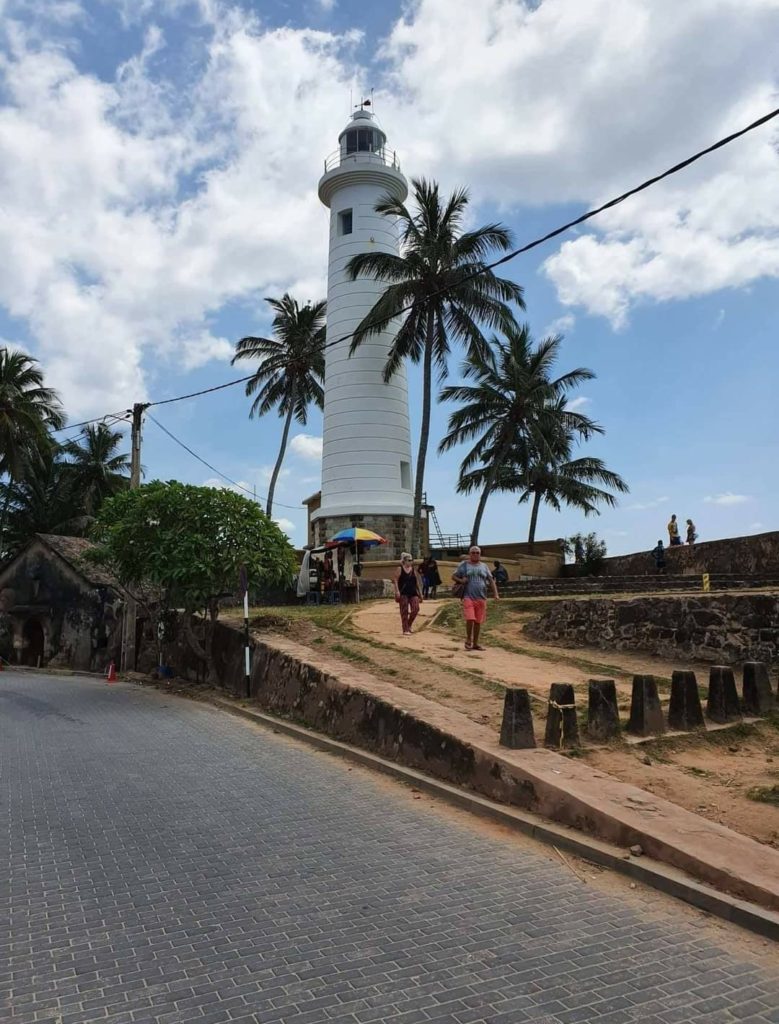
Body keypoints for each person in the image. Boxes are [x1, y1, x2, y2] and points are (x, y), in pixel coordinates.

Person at [452, 545, 499, 652]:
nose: (475, 554)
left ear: (480, 554)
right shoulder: (464, 565)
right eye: (473, 552)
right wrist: (461, 580)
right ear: (469, 554)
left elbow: (491, 580)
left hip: (481, 597)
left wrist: (496, 594)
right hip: (468, 596)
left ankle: (476, 643)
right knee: (470, 618)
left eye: (477, 552)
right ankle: (468, 639)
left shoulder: (484, 566)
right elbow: (453, 576)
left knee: (478, 621)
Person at [394, 552, 422, 635]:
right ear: (404, 561)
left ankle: (409, 624)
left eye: (412, 560)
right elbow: (395, 580)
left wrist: (420, 593)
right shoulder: (400, 569)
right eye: (409, 560)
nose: (411, 562)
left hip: (413, 592)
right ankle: (405, 629)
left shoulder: (413, 570)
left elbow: (416, 582)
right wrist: (397, 591)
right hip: (403, 593)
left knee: (416, 609)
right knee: (404, 611)